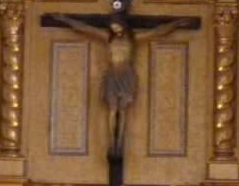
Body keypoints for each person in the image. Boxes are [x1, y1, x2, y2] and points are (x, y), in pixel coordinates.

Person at [53, 12, 189, 158]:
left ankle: (120, 142)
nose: (115, 30)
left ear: (123, 25)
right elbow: (85, 28)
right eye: (113, 27)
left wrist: (176, 23)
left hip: (126, 76)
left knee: (122, 110)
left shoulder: (134, 38)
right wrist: (66, 19)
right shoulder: (107, 38)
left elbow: (156, 31)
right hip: (112, 75)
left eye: (117, 26)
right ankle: (111, 141)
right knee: (112, 109)